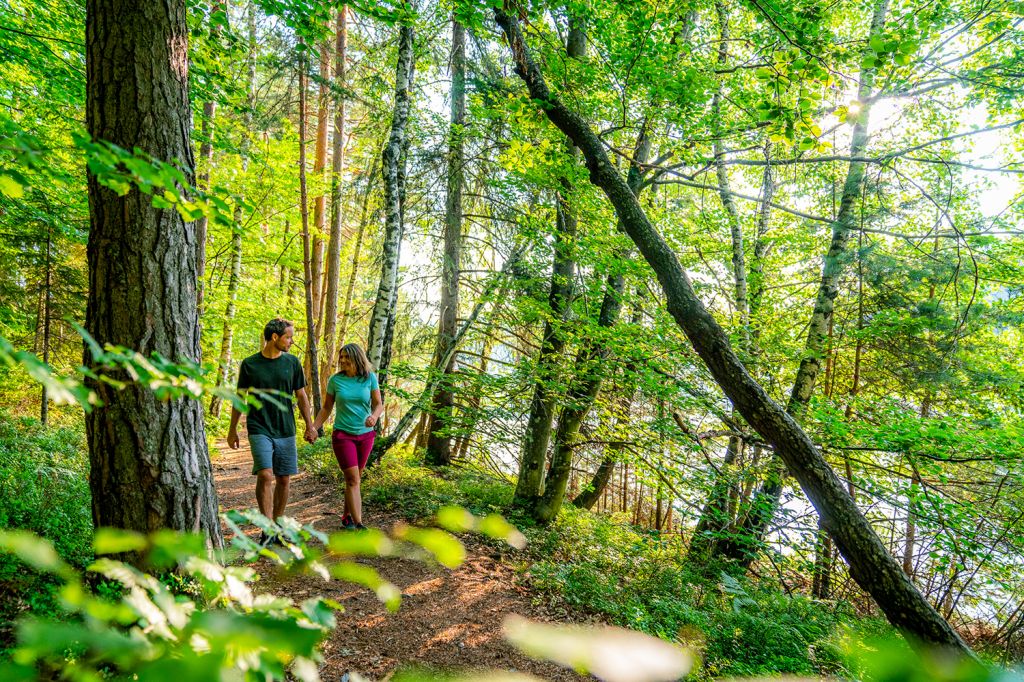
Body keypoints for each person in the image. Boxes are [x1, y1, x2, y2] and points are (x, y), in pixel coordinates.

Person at [228, 318, 317, 542]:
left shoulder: (292, 363)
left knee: (284, 478)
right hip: (259, 426)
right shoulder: (250, 364)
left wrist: (310, 425)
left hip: (285, 427)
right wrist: (232, 429)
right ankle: (266, 528)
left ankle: (277, 526)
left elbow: (302, 396)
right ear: (275, 337)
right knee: (265, 474)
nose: (292, 341)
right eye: (288, 337)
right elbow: (240, 397)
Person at [312, 343, 383, 530]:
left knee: (355, 479)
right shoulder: (336, 381)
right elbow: (326, 408)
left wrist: (374, 417)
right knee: (352, 478)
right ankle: (359, 523)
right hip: (343, 435)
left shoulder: (370, 378)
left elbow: (378, 404)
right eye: (341, 357)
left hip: (366, 436)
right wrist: (314, 428)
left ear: (356, 358)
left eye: (346, 357)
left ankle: (347, 516)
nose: (342, 360)